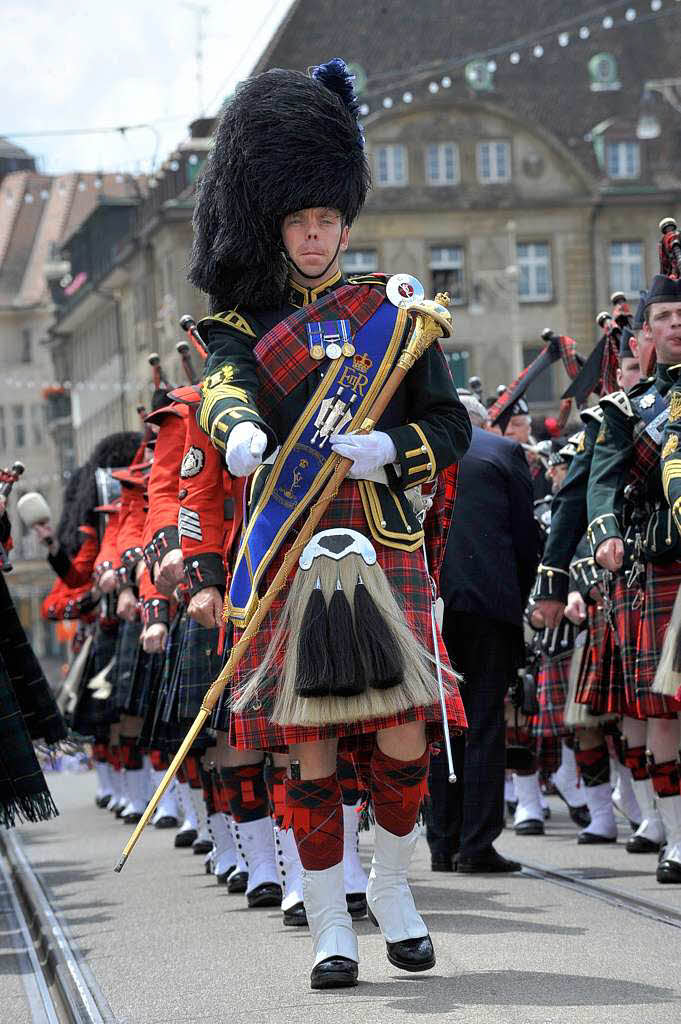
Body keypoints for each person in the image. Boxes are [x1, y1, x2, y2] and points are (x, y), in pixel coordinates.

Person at [188, 59, 471, 988]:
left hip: (379, 539)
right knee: (307, 747)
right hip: (290, 547)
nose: (314, 236)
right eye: (299, 222)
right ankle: (327, 924)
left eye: (327, 221)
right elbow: (223, 386)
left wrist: (390, 452)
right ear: (277, 224)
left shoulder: (395, 314)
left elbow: (449, 422)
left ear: (345, 223)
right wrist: (235, 434)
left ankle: (393, 893)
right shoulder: (241, 320)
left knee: (401, 736)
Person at [425, 391, 539, 872]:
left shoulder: (421, 453)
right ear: (480, 421)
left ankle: (440, 843)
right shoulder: (503, 452)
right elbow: (526, 539)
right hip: (490, 604)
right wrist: (519, 596)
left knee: (438, 726)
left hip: (429, 606)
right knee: (484, 724)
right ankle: (476, 846)